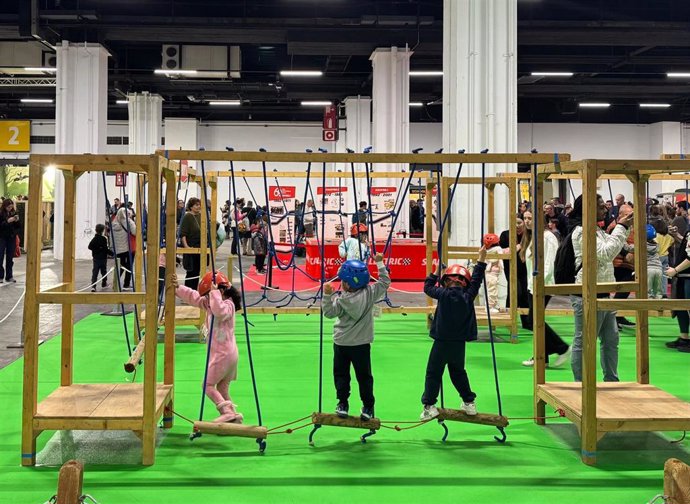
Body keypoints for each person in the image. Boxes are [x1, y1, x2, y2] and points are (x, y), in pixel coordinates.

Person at [570, 194, 633, 382]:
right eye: (600, 206)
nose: (605, 209)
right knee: (584, 342)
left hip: (604, 293)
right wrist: (621, 227)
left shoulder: (597, 231)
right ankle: (581, 385)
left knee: (611, 341)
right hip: (586, 295)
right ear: (587, 209)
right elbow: (606, 254)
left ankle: (611, 381)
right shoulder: (582, 232)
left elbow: (614, 247)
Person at [419, 247, 487, 421]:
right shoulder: (469, 295)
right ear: (465, 282)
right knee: (458, 372)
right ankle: (469, 402)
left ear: (446, 282)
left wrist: (435, 271)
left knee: (434, 372)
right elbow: (477, 279)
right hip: (459, 343)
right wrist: (481, 259)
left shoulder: (442, 293)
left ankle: (429, 406)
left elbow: (427, 287)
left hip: (441, 342)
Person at [322, 252, 391, 421]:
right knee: (364, 376)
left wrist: (326, 296)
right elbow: (385, 282)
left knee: (341, 374)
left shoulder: (340, 300)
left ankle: (343, 403)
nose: (341, 284)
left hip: (341, 344)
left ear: (349, 282)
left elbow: (329, 313)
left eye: (343, 281)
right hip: (361, 344)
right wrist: (380, 263)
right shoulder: (370, 293)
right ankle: (368, 407)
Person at [173, 271, 245, 423]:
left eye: (209, 295)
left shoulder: (228, 305)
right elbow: (194, 298)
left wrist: (214, 294)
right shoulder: (212, 302)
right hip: (228, 354)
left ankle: (226, 411)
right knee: (222, 388)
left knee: (207, 385)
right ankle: (233, 414)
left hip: (223, 354)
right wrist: (177, 288)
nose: (207, 298)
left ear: (222, 291)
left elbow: (219, 312)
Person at [519, 210, 570, 368]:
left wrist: (541, 284)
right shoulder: (531, 238)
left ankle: (561, 348)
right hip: (532, 285)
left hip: (542, 285)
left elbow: (549, 263)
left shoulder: (547, 237)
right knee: (534, 321)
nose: (527, 221)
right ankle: (542, 356)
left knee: (535, 320)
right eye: (525, 218)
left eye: (530, 218)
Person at [499, 214, 530, 328]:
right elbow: (500, 250)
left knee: (525, 294)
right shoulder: (505, 234)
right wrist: (514, 248)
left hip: (526, 269)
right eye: (515, 222)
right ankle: (509, 319)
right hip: (510, 268)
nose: (517, 225)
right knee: (515, 291)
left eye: (519, 222)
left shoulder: (528, 235)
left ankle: (526, 322)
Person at [664, 223, 690, 353]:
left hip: (687, 276)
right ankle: (684, 337)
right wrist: (677, 236)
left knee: (688, 307)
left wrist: (675, 270)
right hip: (683, 276)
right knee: (681, 308)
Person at [111, 206, 137, 290]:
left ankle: (115, 283)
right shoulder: (129, 222)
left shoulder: (114, 223)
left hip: (118, 249)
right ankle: (126, 284)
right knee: (129, 266)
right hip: (129, 248)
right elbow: (135, 232)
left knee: (120, 265)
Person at [179, 197, 202, 289]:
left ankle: (194, 292)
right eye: (196, 205)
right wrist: (187, 247)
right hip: (191, 247)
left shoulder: (201, 216)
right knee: (190, 272)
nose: (198, 206)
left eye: (199, 204)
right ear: (191, 207)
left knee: (197, 271)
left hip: (200, 247)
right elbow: (183, 234)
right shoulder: (187, 216)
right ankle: (188, 292)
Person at [0, 198, 21, 283]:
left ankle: (9, 276)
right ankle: (0, 276)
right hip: (2, 237)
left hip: (11, 237)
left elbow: (18, 227)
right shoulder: (1, 214)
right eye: (8, 207)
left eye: (11, 207)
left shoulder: (14, 213)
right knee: (0, 257)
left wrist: (16, 221)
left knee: (10, 258)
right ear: (4, 206)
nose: (10, 209)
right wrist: (7, 221)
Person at [87, 223, 113, 292]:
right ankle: (104, 283)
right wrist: (113, 254)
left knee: (95, 272)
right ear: (103, 230)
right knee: (103, 271)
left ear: (96, 230)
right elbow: (105, 249)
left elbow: (89, 247)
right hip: (103, 258)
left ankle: (93, 286)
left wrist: (96, 250)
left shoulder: (94, 239)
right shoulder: (103, 239)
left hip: (96, 258)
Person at [482, 233, 502, 314]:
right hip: (492, 274)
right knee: (492, 290)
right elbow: (504, 252)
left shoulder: (485, 250)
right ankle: (489, 307)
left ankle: (493, 305)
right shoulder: (497, 249)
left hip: (488, 273)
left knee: (492, 289)